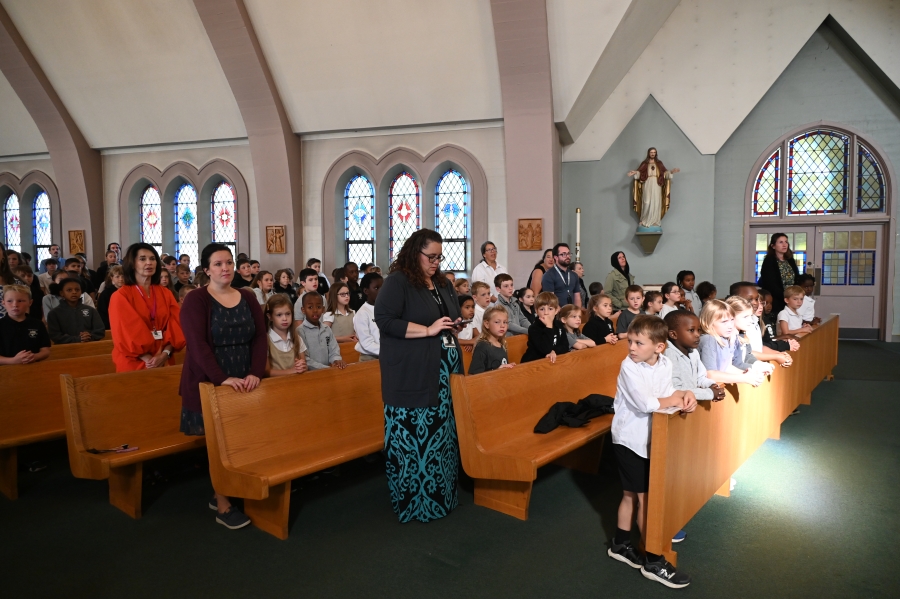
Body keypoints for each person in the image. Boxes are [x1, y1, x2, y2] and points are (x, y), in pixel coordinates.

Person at [374, 228, 465, 523]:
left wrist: (453, 325)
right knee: (414, 442)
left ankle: (443, 498)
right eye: (431, 256)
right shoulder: (397, 282)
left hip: (443, 373)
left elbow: (445, 317)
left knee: (443, 439)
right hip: (412, 374)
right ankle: (415, 504)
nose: (436, 261)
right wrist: (427, 330)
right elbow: (385, 321)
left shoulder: (440, 282)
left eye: (440, 256)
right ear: (416, 253)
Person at [179, 243, 267, 530]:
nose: (225, 268)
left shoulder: (247, 295)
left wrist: (255, 372)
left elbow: (259, 338)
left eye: (228, 262)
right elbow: (197, 345)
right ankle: (223, 503)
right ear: (206, 270)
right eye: (218, 264)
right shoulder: (196, 299)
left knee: (243, 438)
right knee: (219, 444)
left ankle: (233, 487)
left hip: (245, 376)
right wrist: (221, 378)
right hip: (210, 378)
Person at [607, 315, 694, 588]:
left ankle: (620, 544)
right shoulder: (628, 367)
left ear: (659, 347)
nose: (631, 347)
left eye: (639, 343)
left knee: (631, 495)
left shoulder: (665, 363)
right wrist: (675, 398)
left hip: (649, 438)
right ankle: (654, 559)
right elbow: (646, 403)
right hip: (629, 439)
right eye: (630, 341)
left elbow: (666, 392)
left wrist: (684, 395)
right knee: (645, 499)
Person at [108, 244, 185, 372]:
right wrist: (150, 359)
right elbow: (125, 332)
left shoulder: (165, 293)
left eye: (152, 258)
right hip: (135, 361)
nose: (149, 263)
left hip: (164, 357)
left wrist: (165, 354)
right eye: (142, 259)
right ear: (132, 263)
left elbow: (176, 324)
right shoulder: (120, 296)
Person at [697, 300, 765, 386]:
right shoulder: (708, 340)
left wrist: (747, 374)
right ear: (708, 322)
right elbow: (711, 374)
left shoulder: (725, 339)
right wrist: (744, 378)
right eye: (724, 322)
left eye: (732, 320)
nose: (730, 325)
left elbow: (727, 368)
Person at [725, 295, 790, 368]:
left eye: (750, 316)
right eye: (745, 317)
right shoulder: (724, 340)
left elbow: (748, 355)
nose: (750, 320)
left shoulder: (743, 335)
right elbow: (730, 366)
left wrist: (760, 365)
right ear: (731, 317)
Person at [626, 147, 680, 229]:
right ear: (648, 153)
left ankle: (655, 220)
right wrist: (635, 172)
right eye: (651, 152)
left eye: (654, 152)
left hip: (656, 183)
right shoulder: (645, 163)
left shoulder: (659, 163)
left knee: (656, 201)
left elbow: (664, 173)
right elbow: (640, 172)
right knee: (646, 201)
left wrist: (671, 171)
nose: (653, 154)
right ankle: (644, 219)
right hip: (647, 183)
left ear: (656, 153)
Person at [0, 284, 51, 365]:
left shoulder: (37, 324)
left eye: (20, 301)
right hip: (5, 371)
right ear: (3, 303)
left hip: (34, 367)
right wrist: (13, 361)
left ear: (30, 302)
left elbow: (45, 350)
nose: (15, 305)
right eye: (9, 301)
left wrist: (34, 357)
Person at [47, 278, 105, 344]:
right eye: (69, 290)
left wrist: (90, 336)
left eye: (77, 290)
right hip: (64, 350)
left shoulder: (90, 310)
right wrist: (77, 339)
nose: (74, 292)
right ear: (61, 293)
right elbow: (55, 335)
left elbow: (100, 330)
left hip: (89, 347)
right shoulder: (54, 313)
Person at [298, 292, 345, 370]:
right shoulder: (300, 331)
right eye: (310, 307)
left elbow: (334, 349)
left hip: (327, 372)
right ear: (303, 310)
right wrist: (325, 368)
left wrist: (336, 360)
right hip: (310, 374)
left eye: (319, 307)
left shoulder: (326, 329)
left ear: (323, 309)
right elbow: (305, 359)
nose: (315, 310)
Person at [264, 294, 308, 377]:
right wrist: (291, 371)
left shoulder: (297, 338)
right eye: (279, 315)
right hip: (275, 386)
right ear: (270, 317)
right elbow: (266, 372)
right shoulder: (265, 340)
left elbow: (304, 365)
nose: (284, 318)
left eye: (288, 314)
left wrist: (302, 366)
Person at [757, 232, 800, 315]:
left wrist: (794, 295)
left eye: (786, 242)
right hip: (777, 298)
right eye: (781, 242)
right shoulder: (769, 260)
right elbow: (770, 283)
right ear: (773, 246)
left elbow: (796, 277)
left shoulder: (790, 260)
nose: (784, 245)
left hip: (791, 298)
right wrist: (785, 297)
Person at [521, 292, 569, 363]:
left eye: (550, 309)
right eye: (542, 309)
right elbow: (545, 349)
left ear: (556, 311)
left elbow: (565, 345)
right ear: (536, 311)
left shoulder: (559, 325)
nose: (546, 313)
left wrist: (554, 351)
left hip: (551, 362)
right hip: (533, 363)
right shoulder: (534, 328)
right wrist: (549, 326)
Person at [468, 305, 516, 374]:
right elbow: (474, 375)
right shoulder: (482, 346)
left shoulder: (502, 344)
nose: (502, 326)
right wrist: (497, 371)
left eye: (505, 322)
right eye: (497, 322)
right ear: (487, 324)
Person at [353, 272, 383, 361]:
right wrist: (388, 350)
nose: (381, 291)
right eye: (376, 288)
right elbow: (366, 343)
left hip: (386, 354)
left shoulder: (386, 309)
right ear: (366, 291)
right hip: (369, 357)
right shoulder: (362, 313)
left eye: (383, 287)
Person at [542, 243, 581, 308]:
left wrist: (577, 313)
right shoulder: (549, 275)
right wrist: (562, 314)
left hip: (572, 313)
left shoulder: (574, 275)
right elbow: (550, 299)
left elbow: (577, 296)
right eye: (563, 254)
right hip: (557, 313)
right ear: (556, 257)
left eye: (568, 254)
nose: (567, 256)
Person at [97, 265, 124, 329]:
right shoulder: (105, 294)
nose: (121, 279)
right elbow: (103, 314)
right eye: (117, 277)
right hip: (111, 325)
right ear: (112, 278)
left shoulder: (130, 292)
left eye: (123, 276)